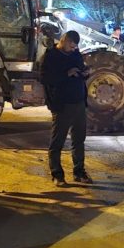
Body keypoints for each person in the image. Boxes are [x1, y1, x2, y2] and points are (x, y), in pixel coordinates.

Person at [40, 30, 92, 187]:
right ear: (63, 40)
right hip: (62, 104)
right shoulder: (50, 57)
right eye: (71, 45)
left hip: (79, 103)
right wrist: (66, 74)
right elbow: (45, 78)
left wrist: (85, 73)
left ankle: (79, 172)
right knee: (58, 142)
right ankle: (57, 174)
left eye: (75, 46)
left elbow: (80, 70)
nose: (73, 49)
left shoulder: (75, 54)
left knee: (79, 141)